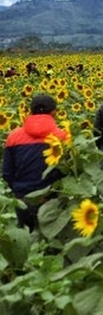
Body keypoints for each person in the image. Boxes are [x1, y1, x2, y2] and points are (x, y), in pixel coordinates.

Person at [2, 94, 67, 231]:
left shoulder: (13, 137)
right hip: (51, 198)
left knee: (26, 241)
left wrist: (19, 190)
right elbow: (66, 170)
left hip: (23, 198)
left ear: (30, 112)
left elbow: (7, 172)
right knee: (49, 243)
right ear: (54, 112)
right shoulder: (62, 137)